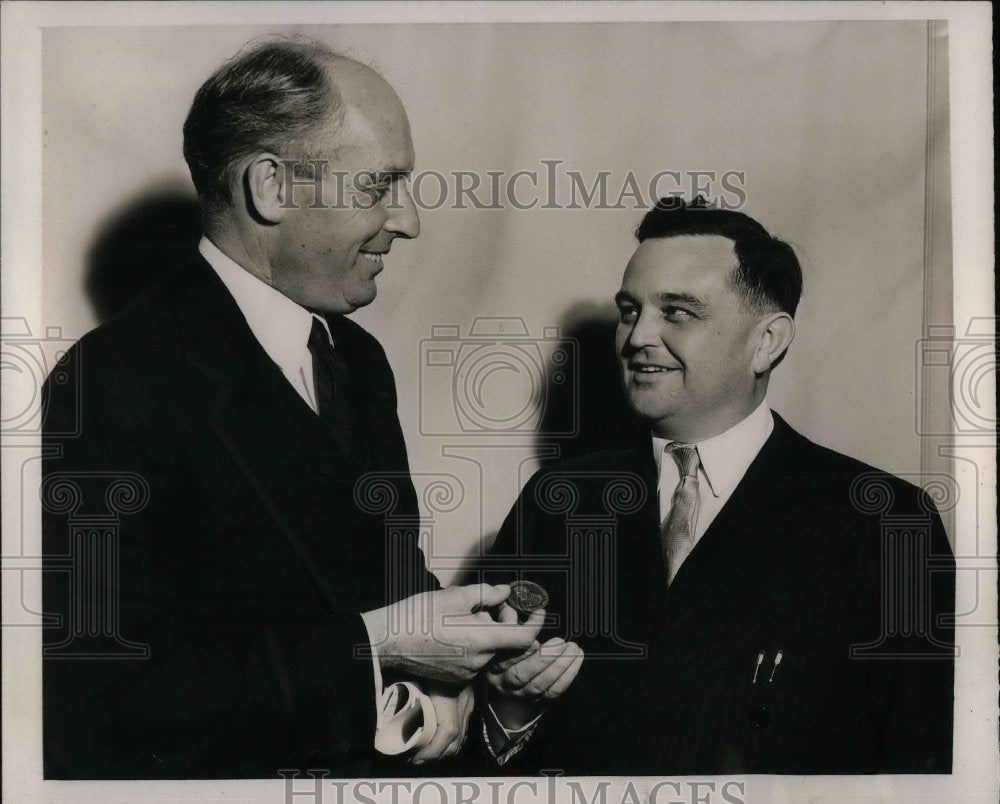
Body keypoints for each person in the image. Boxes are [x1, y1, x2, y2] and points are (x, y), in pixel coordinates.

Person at [41, 37, 546, 779]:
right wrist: (382, 645)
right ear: (271, 188)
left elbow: (384, 590)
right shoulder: (107, 384)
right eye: (380, 186)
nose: (408, 222)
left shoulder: (358, 362)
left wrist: (460, 674)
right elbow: (103, 712)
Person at [484, 197, 955, 774]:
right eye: (630, 311)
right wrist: (511, 710)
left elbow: (922, 763)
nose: (637, 338)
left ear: (767, 342)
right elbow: (480, 746)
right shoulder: (556, 502)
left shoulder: (882, 522)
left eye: (677, 312)